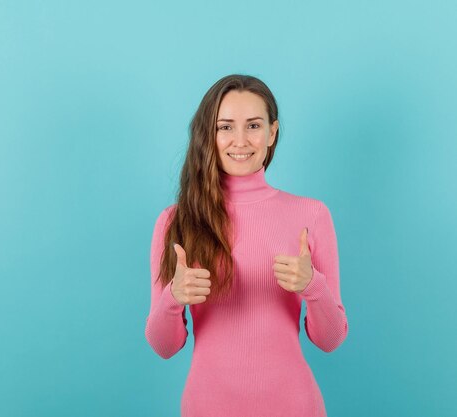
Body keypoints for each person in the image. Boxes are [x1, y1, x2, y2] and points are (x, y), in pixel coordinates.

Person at [144, 74, 349, 416]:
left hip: (294, 406)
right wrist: (173, 298)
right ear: (208, 134)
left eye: (253, 125)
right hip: (207, 406)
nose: (240, 140)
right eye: (225, 127)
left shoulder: (312, 215)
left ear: (272, 132)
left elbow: (331, 340)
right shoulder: (174, 221)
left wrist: (313, 285)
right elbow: (164, 347)